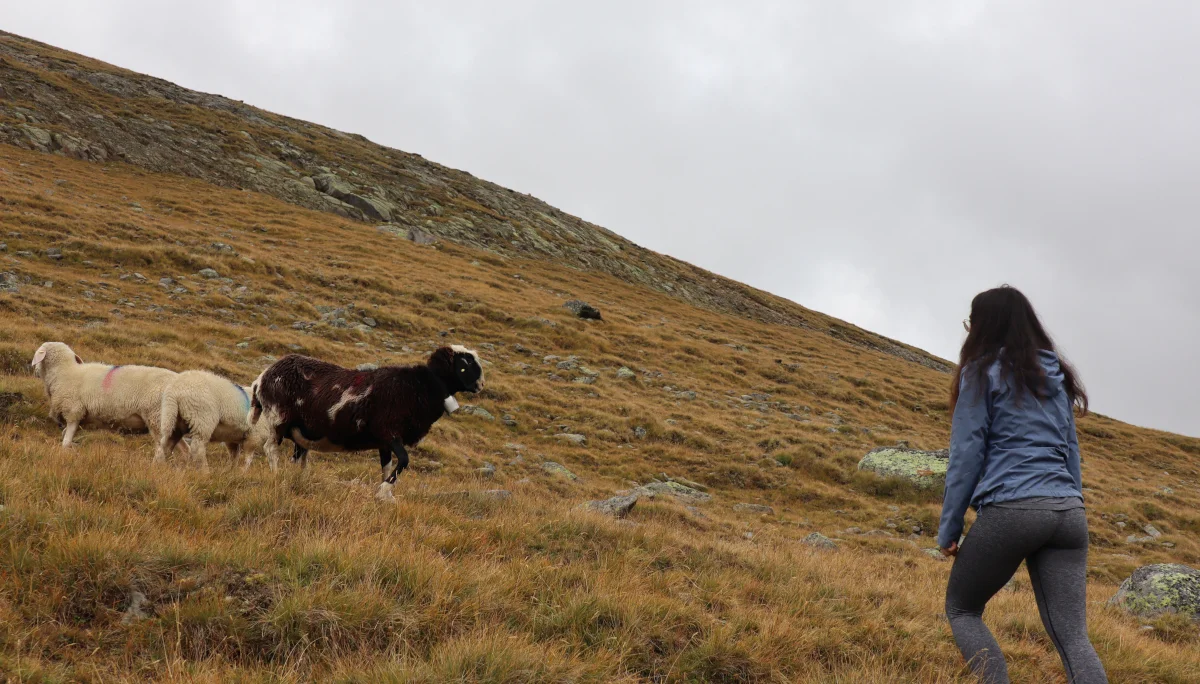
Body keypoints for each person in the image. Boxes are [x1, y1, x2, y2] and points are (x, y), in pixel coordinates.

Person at [938, 285, 1107, 684]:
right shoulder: (1056, 376)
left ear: (981, 327)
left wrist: (949, 528)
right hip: (1068, 513)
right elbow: (1071, 452)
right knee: (1072, 636)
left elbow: (966, 455)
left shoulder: (980, 372)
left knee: (962, 609)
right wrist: (1072, 502)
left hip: (1013, 508)